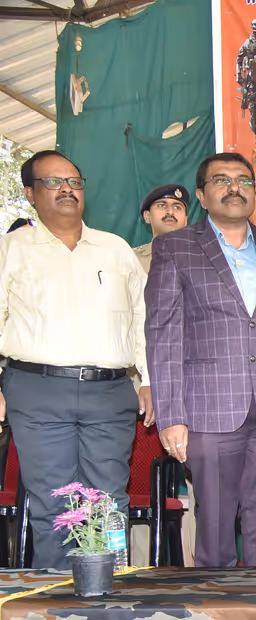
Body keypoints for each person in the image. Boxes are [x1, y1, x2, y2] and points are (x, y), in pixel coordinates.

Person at [146, 152, 256, 568]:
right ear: (202, 195)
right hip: (209, 408)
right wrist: (171, 416)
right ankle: (214, 604)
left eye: (244, 180)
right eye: (221, 180)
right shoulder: (176, 247)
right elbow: (163, 335)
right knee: (216, 531)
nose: (235, 187)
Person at [0, 151, 152, 569]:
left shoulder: (115, 249)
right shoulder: (11, 249)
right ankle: (59, 602)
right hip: (37, 390)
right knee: (55, 504)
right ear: (30, 193)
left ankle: (108, 595)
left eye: (74, 181)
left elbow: (143, 319)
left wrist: (148, 380)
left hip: (111, 392)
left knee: (108, 502)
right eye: (53, 182)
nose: (66, 189)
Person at [135, 183, 190, 274]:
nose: (170, 212)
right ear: (147, 216)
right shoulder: (132, 258)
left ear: (185, 220)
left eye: (177, 207)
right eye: (161, 205)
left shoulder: (203, 257)